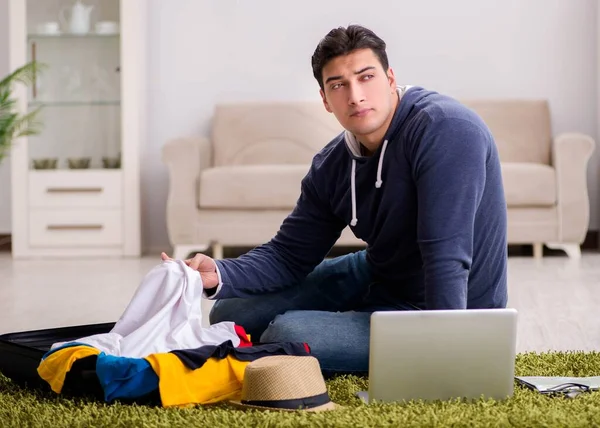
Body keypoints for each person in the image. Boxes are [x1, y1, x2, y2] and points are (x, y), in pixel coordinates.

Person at [161, 24, 508, 376]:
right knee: (231, 311)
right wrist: (217, 272)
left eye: (366, 77)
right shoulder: (332, 165)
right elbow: (288, 255)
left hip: (448, 306)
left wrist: (451, 354)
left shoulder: (445, 129)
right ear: (326, 101)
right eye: (338, 85)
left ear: (390, 79)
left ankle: (340, 330)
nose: (355, 95)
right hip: (381, 272)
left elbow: (447, 259)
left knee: (288, 332)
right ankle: (345, 323)